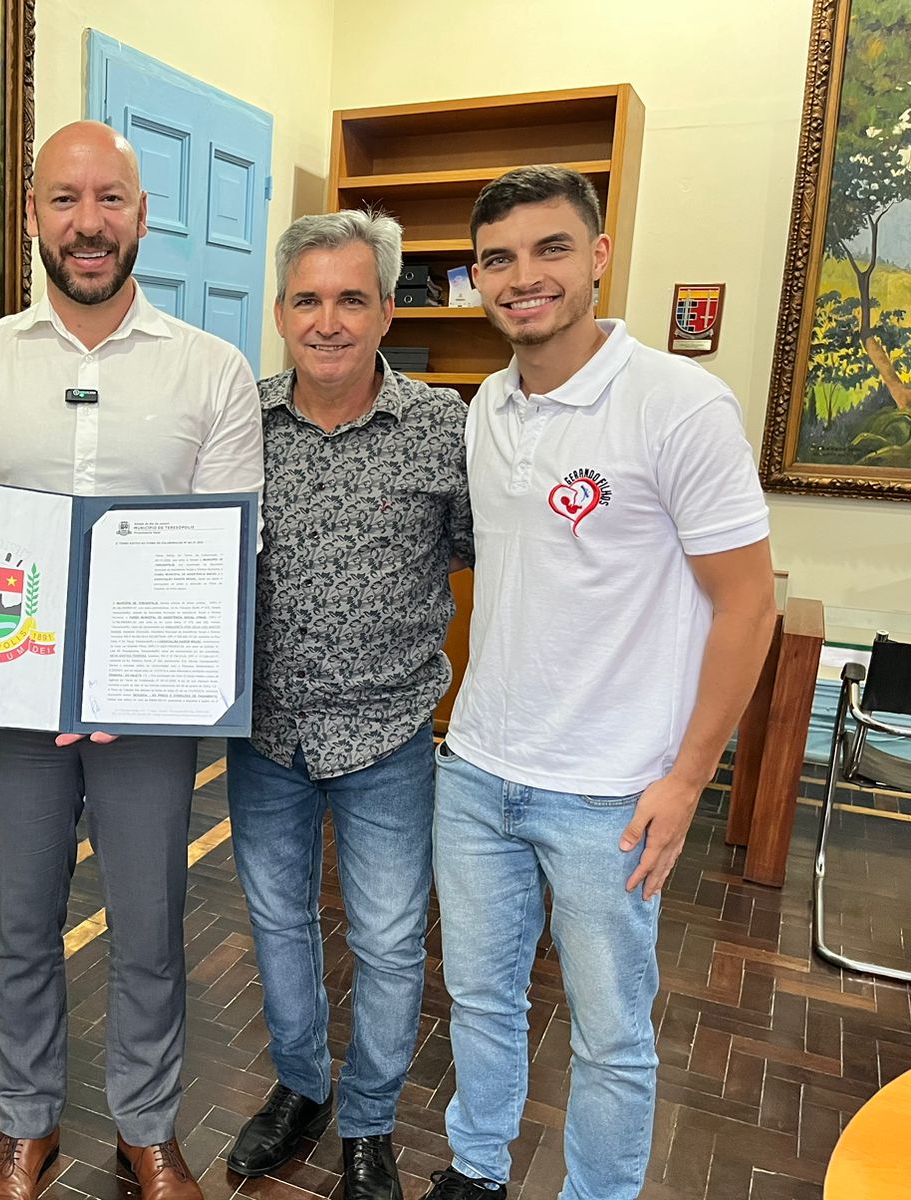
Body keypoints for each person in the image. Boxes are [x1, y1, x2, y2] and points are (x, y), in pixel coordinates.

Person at [0, 120, 263, 1200]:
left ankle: (148, 1129)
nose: (87, 224)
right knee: (19, 925)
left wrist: (128, 673)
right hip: (10, 702)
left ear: (142, 215)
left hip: (150, 709)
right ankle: (25, 1127)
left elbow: (232, 551)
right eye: (64, 199)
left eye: (109, 200)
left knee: (150, 928)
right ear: (34, 215)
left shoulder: (212, 371)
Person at [422, 166, 776, 1200]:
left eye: (550, 249)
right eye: (496, 259)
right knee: (480, 999)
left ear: (599, 257)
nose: (522, 277)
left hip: (610, 790)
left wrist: (687, 778)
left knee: (611, 1033)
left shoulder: (678, 405)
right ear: (476, 278)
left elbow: (747, 604)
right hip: (476, 768)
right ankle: (477, 1168)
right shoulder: (486, 408)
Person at [223, 210, 471, 1200]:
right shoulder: (238, 422)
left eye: (351, 299)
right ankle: (301, 1087)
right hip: (265, 732)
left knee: (388, 941)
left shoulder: (442, 428)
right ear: (282, 312)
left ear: (385, 311)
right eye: (307, 301)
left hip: (389, 736)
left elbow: (482, 550)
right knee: (278, 924)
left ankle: (369, 1122)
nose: (327, 321)